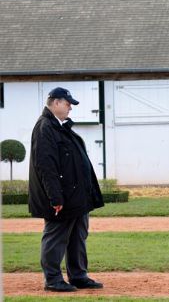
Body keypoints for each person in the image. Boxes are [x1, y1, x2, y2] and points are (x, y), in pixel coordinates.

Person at [28, 87, 104, 292]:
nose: (70, 106)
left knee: (78, 236)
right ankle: (52, 279)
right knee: (56, 237)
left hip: (77, 197)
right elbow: (46, 166)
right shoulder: (45, 128)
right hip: (62, 197)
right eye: (67, 102)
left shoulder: (60, 127)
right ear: (54, 102)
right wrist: (55, 198)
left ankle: (78, 275)